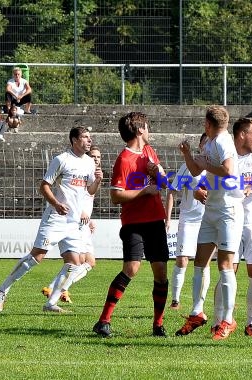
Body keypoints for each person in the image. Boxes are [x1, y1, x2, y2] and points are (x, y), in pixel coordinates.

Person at [0, 126, 102, 313]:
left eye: (89, 137)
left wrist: (98, 182)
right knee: (37, 257)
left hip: (75, 222)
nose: (89, 140)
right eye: (85, 137)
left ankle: (51, 303)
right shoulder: (61, 160)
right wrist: (56, 204)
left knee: (75, 263)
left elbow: (89, 191)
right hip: (56, 218)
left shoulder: (90, 164)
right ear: (74, 140)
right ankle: (2, 290)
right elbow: (44, 186)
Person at [93, 112, 170, 338]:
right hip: (134, 222)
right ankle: (103, 321)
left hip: (155, 219)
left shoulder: (149, 152)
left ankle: (158, 324)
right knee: (132, 268)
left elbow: (163, 184)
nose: (149, 130)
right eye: (147, 126)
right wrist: (144, 191)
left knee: (161, 273)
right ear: (139, 130)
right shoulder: (124, 159)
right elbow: (116, 196)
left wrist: (158, 174)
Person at [175, 105, 244, 341]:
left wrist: (204, 165)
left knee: (224, 265)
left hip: (228, 211)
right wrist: (187, 154)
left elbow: (228, 170)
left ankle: (227, 320)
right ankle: (197, 312)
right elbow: (196, 171)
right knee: (199, 262)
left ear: (208, 123)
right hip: (211, 209)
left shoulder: (223, 142)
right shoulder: (209, 143)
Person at [212, 117, 252, 338]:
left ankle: (251, 323)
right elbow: (208, 178)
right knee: (228, 270)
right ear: (242, 135)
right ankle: (219, 320)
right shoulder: (227, 158)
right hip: (230, 220)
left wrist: (250, 188)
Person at [41, 146, 102, 304]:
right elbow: (78, 196)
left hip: (84, 221)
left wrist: (90, 218)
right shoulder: (81, 170)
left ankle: (56, 288)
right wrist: (82, 213)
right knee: (82, 261)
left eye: (98, 157)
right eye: (93, 156)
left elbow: (87, 197)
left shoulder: (93, 174)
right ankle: (57, 288)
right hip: (76, 221)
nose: (96, 159)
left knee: (87, 262)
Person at [165, 133, 209, 311]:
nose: (207, 147)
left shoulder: (219, 168)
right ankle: (175, 300)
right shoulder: (188, 167)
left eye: (211, 143)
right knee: (183, 259)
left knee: (203, 262)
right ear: (199, 146)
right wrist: (167, 218)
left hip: (208, 220)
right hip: (189, 219)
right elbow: (171, 190)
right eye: (205, 143)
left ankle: (200, 304)